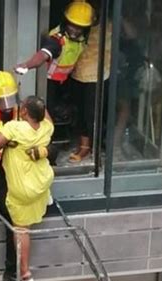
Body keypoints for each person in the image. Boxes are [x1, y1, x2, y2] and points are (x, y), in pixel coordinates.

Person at [0, 96, 54, 281]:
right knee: (27, 224)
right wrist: (38, 102)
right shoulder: (47, 127)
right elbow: (47, 117)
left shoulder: (15, 128)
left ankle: (24, 275)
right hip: (41, 183)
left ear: (24, 112)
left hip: (22, 188)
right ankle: (23, 273)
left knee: (20, 229)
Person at [14, 1, 94, 127]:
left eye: (79, 27)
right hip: (48, 83)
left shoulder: (81, 39)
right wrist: (27, 65)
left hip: (66, 81)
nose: (75, 30)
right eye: (72, 25)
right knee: (47, 116)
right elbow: (43, 55)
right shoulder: (57, 40)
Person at [68, 0, 112, 162]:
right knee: (80, 111)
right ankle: (85, 145)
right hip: (77, 72)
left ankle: (90, 148)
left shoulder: (108, 26)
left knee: (91, 113)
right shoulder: (81, 24)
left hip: (97, 75)